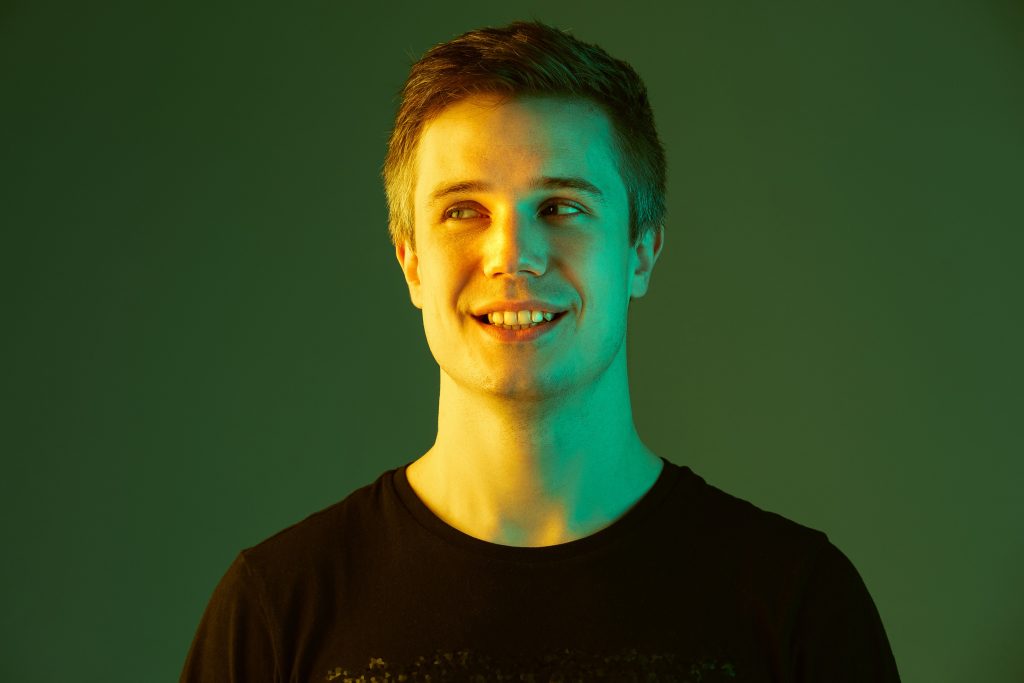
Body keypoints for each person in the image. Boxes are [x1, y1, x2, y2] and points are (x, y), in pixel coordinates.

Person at [180, 21, 901, 682]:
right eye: (464, 210)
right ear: (411, 264)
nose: (513, 254)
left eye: (560, 207)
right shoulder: (275, 612)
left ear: (641, 253)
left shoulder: (797, 606)